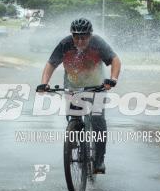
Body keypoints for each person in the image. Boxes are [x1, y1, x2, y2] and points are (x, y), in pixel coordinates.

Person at [36, 18, 121, 174]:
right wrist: (44, 83)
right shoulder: (65, 44)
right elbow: (51, 64)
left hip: (96, 87)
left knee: (97, 120)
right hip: (73, 87)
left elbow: (115, 60)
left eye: (84, 37)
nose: (80, 40)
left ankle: (99, 160)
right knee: (73, 118)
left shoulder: (98, 43)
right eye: (77, 37)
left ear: (90, 35)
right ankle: (74, 138)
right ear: (72, 35)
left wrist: (112, 79)